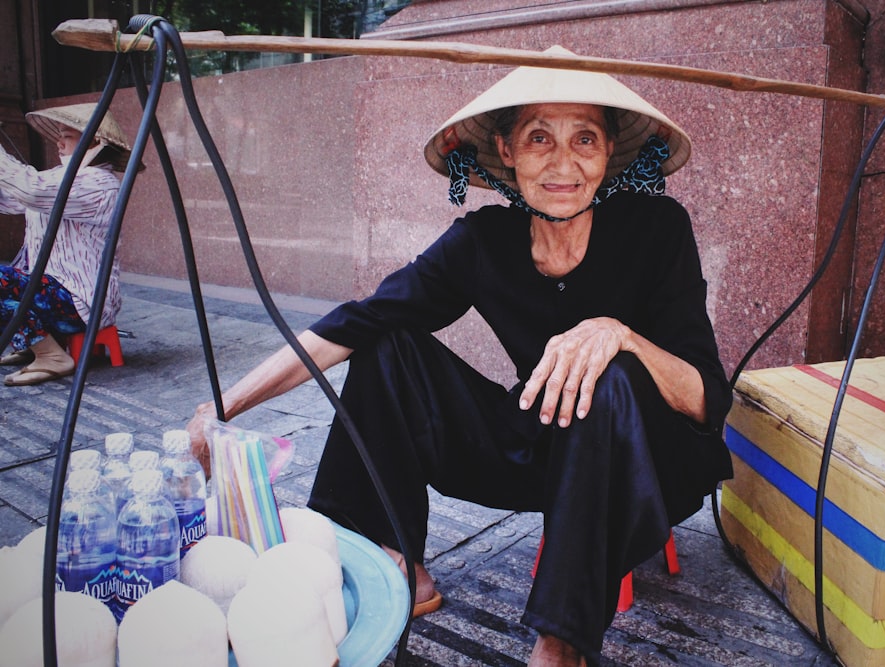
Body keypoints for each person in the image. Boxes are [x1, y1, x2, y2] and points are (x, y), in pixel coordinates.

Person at [187, 46, 733, 666]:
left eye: (584, 139)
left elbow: (707, 398)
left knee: (608, 372)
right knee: (386, 343)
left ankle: (563, 642)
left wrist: (621, 335)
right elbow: (355, 322)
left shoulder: (657, 229)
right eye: (538, 138)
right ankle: (391, 555)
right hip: (544, 445)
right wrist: (221, 406)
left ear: (608, 154)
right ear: (506, 151)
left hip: (646, 458)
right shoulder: (483, 241)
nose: (563, 163)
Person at [0, 103, 134, 386]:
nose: (59, 143)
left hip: (81, 302)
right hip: (52, 292)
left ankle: (52, 356)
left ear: (95, 141)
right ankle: (33, 344)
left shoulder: (98, 183)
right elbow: (18, 198)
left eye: (68, 135)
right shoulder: (64, 178)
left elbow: (31, 189)